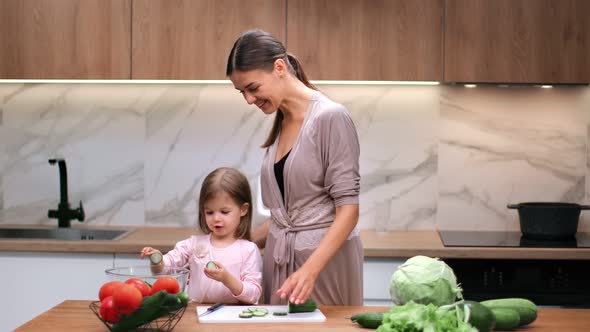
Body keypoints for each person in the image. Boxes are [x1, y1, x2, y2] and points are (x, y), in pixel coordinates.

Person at [226, 29, 363, 306]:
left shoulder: (331, 117)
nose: (249, 100)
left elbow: (348, 211)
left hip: (320, 268)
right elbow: (287, 217)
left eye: (252, 88)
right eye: (242, 92)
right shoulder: (282, 120)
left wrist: (309, 272)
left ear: (279, 67)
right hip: (280, 265)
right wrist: (238, 247)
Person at [140, 167, 262, 304]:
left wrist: (227, 279)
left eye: (224, 212)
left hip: (231, 319)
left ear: (243, 209)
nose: (216, 218)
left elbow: (254, 295)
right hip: (195, 314)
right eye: (209, 212)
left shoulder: (248, 250)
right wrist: (157, 259)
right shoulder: (193, 244)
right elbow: (165, 268)